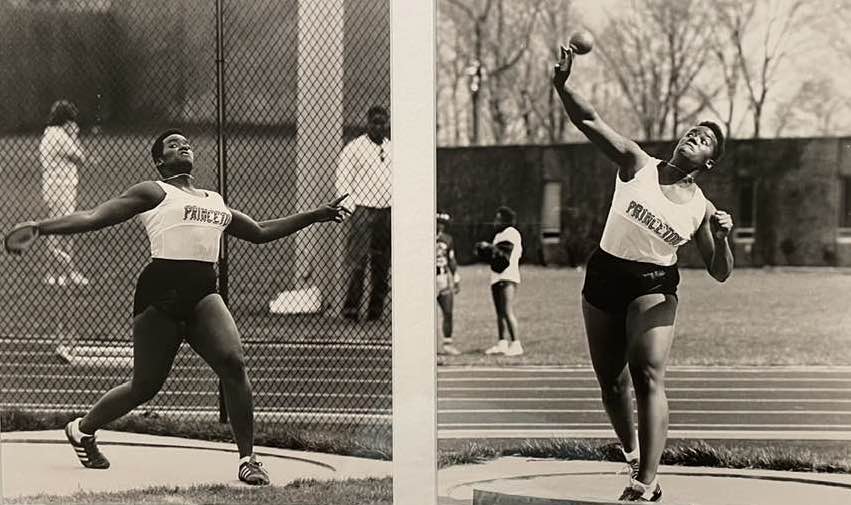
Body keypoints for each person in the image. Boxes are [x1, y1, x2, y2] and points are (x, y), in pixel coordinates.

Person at [8, 129, 350, 486]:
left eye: (185, 142)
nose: (182, 145)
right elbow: (95, 216)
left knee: (233, 363)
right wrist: (40, 228)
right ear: (160, 161)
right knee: (144, 386)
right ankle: (82, 429)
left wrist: (315, 215)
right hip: (159, 295)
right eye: (173, 144)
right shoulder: (154, 191)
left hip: (204, 292)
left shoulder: (214, 200)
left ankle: (248, 459)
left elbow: (261, 231)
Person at [553, 47, 734, 501]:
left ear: (709, 162)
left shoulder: (701, 208)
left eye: (707, 140)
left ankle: (645, 483)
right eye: (694, 131)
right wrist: (564, 85)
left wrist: (724, 236)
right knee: (611, 382)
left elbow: (719, 272)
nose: (697, 135)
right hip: (605, 274)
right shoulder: (637, 164)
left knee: (647, 372)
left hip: (653, 285)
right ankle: (634, 454)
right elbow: (589, 121)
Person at [336, 106, 392, 322]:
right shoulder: (355, 148)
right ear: (368, 123)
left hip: (386, 211)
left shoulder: (392, 148)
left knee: (382, 264)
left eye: (382, 122)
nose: (379, 127)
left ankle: (375, 313)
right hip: (363, 210)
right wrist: (350, 206)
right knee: (358, 262)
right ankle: (351, 311)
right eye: (375, 122)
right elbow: (343, 178)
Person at [39, 99, 89, 286]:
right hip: (61, 186)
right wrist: (74, 135)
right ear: (66, 120)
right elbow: (80, 157)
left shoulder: (49, 133)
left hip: (54, 185)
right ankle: (66, 272)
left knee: (58, 227)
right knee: (64, 227)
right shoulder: (60, 136)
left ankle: (57, 273)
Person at [475, 206, 523, 357]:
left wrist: (488, 247)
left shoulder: (511, 233)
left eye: (498, 218)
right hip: (496, 277)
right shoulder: (499, 235)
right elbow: (494, 257)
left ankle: (516, 343)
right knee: (500, 313)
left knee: (507, 311)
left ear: (505, 220)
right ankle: (502, 343)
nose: (495, 221)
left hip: (507, 276)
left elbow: (504, 256)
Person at [436, 212, 461, 355]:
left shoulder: (448, 239)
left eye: (442, 223)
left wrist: (456, 277)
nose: (440, 226)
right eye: (438, 222)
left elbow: (451, 259)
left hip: (442, 277)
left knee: (448, 311)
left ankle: (447, 344)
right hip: (427, 278)